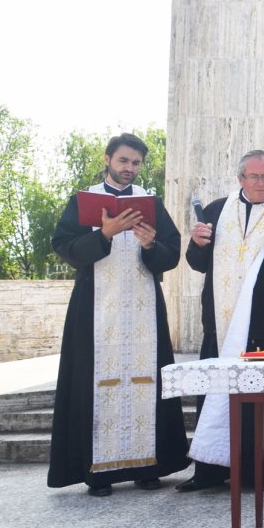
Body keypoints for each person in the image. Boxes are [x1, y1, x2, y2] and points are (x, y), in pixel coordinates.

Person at [48, 133, 189, 496]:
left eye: (136, 163)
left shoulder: (150, 203)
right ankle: (99, 474)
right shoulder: (83, 201)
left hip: (143, 310)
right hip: (95, 311)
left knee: (149, 383)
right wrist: (105, 234)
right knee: (93, 384)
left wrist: (150, 245)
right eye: (124, 161)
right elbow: (64, 247)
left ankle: (148, 466)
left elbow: (171, 255)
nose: (129, 168)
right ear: (108, 159)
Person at [178, 150, 264, 492]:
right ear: (240, 179)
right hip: (218, 320)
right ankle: (208, 471)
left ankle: (256, 470)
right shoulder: (217, 210)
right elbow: (197, 263)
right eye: (254, 177)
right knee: (215, 391)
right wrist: (197, 243)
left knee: (259, 399)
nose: (261, 183)